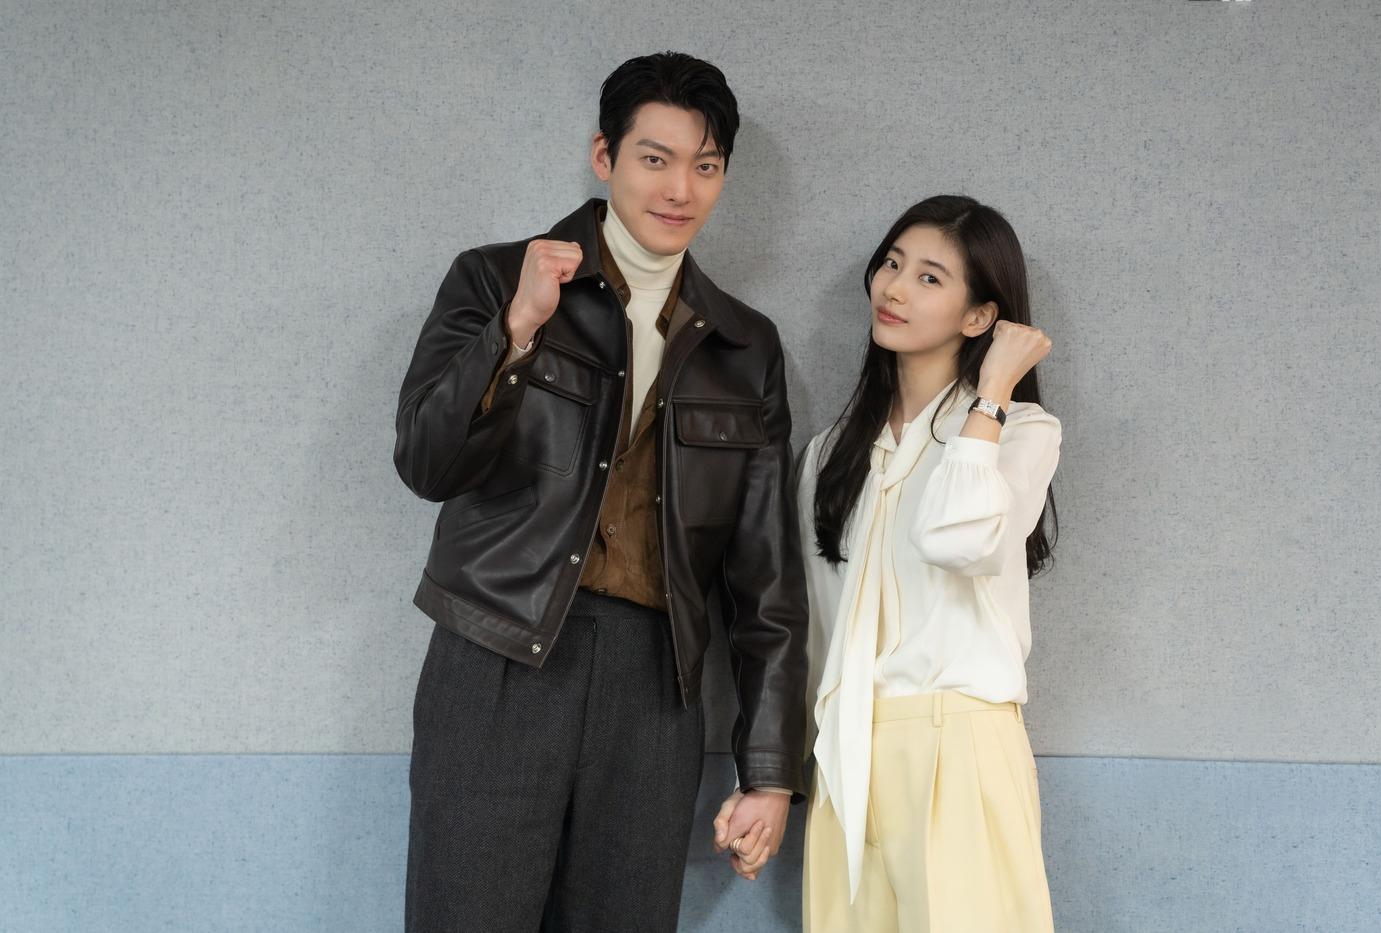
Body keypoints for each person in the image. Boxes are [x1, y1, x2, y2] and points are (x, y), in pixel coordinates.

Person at [392, 52, 808, 932]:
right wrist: (516, 332)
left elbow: (767, 580)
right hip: (499, 655)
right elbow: (427, 463)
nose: (680, 189)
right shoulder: (494, 279)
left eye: (705, 166)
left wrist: (769, 767)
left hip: (655, 688)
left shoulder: (746, 347)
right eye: (655, 158)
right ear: (603, 156)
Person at [797, 195, 1061, 931]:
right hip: (846, 752)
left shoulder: (1023, 432)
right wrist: (784, 774)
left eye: (929, 277)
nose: (894, 288)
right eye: (891, 263)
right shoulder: (828, 455)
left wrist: (994, 391)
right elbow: (818, 625)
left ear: (980, 316)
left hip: (960, 746)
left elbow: (959, 541)